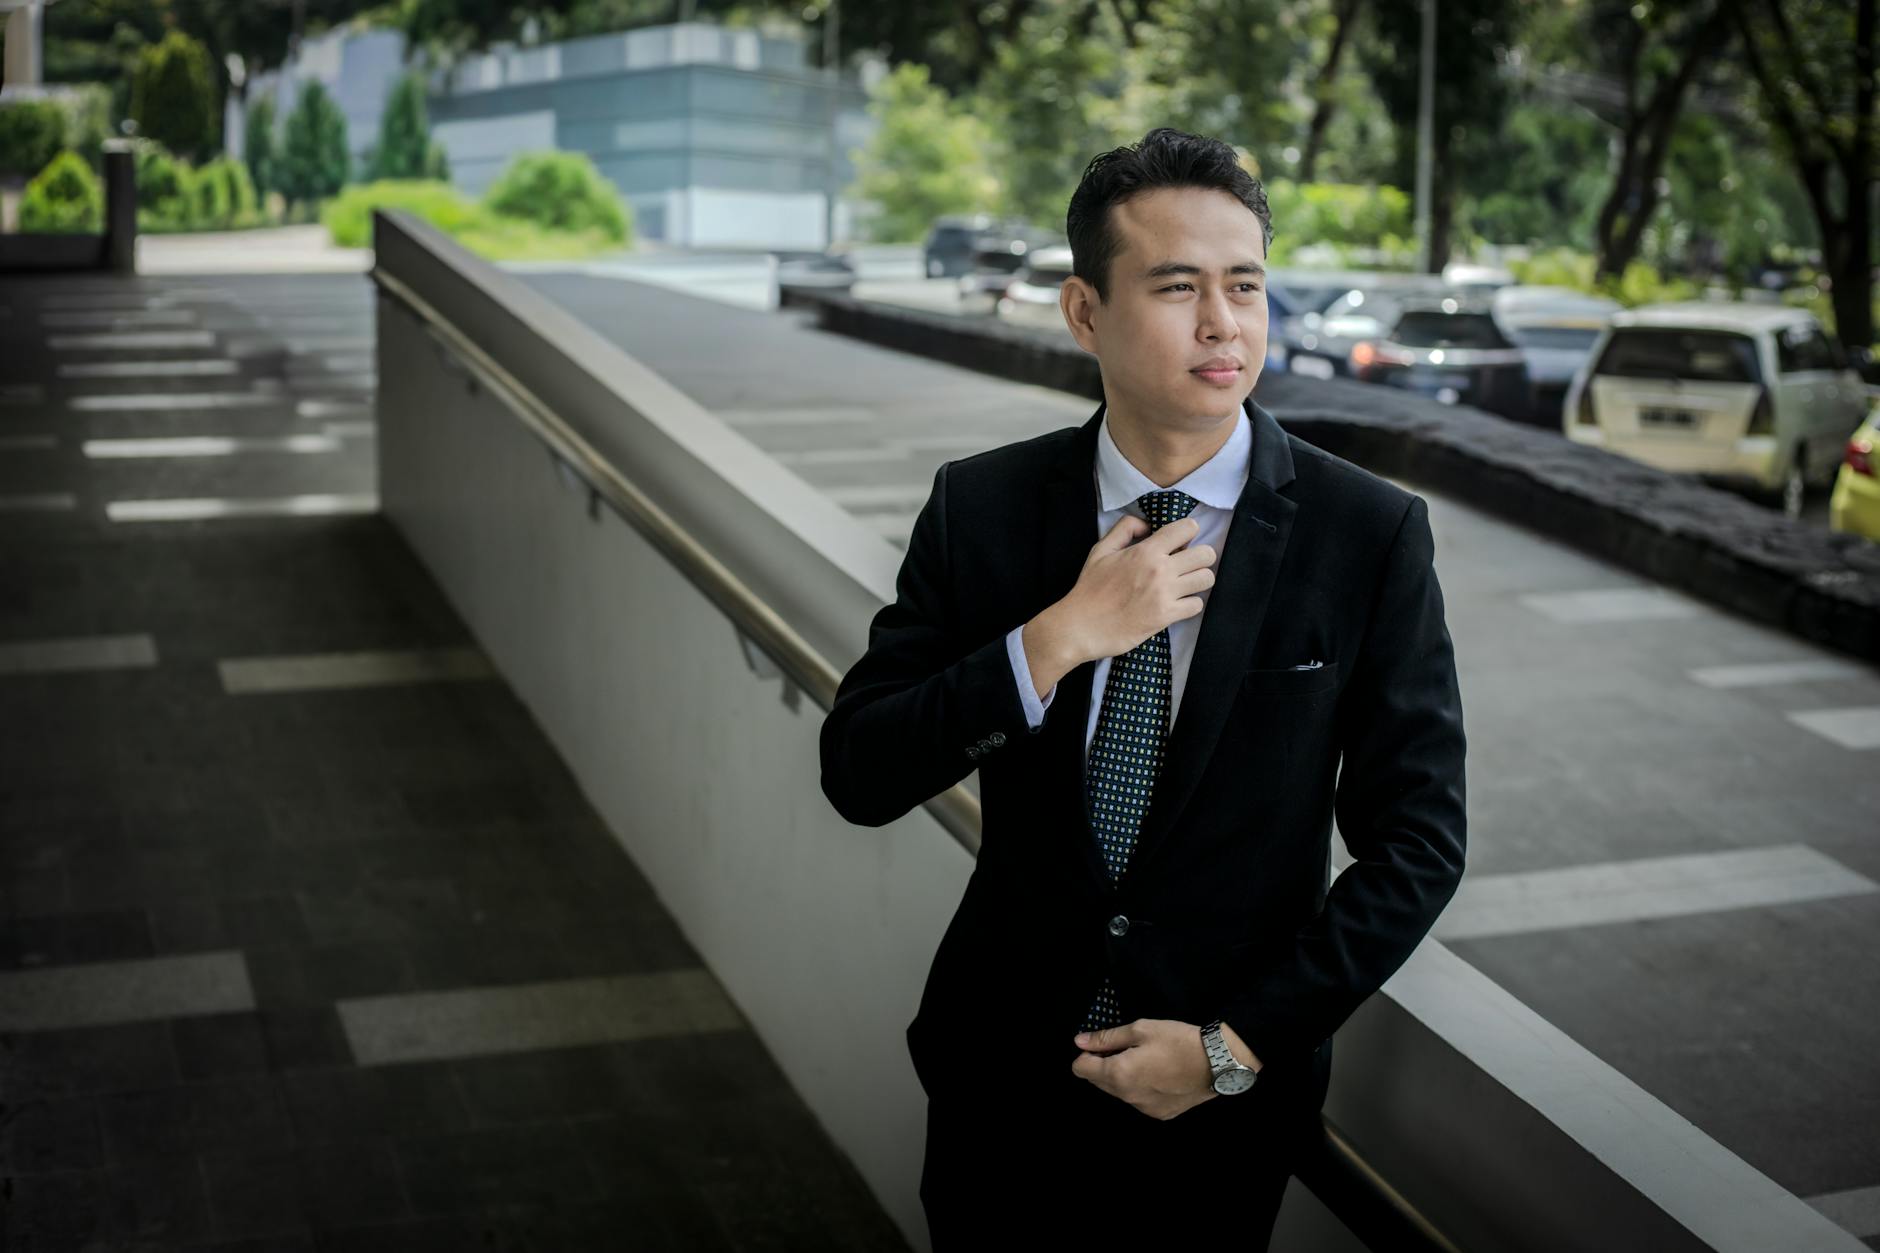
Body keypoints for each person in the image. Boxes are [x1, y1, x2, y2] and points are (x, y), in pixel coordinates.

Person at [818, 126, 1468, 1248]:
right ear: (1084, 313)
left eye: (1244, 285)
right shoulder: (983, 509)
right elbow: (859, 770)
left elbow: (1417, 841)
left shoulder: (1366, 534)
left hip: (1217, 1112)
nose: (1222, 322)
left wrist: (1233, 1046)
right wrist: (1054, 639)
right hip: (1000, 1089)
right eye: (1177, 287)